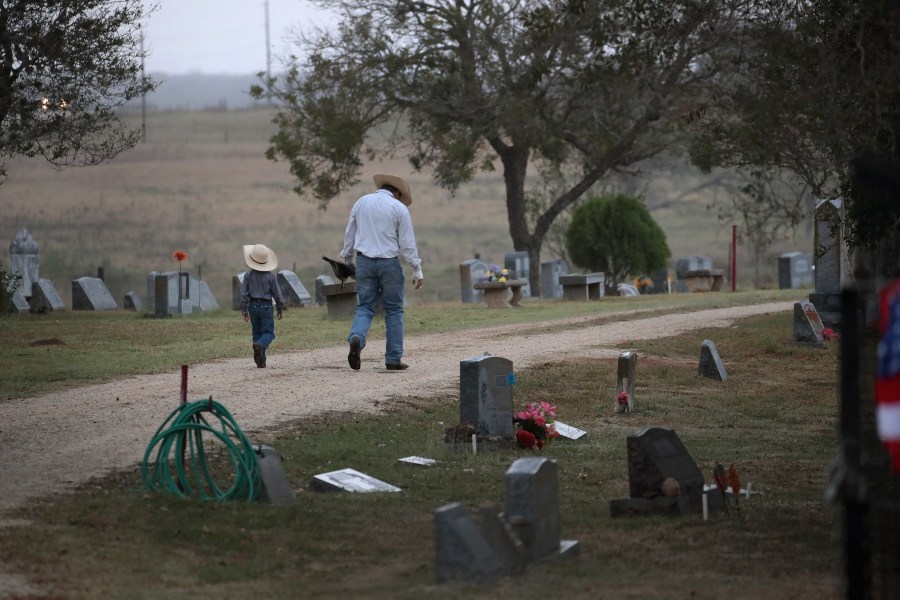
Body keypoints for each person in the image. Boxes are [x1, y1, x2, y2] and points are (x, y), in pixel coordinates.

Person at [341, 174, 423, 370]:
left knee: (365, 307)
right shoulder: (399, 208)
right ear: (396, 193)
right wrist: (417, 269)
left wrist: (346, 258)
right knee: (394, 310)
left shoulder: (361, 202)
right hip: (389, 264)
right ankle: (393, 358)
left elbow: (350, 233)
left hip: (364, 262)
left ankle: (356, 338)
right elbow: (407, 244)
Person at [239, 243, 285, 368]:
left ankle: (261, 361)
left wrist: (244, 310)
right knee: (269, 333)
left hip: (253, 307)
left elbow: (244, 294)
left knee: (257, 333)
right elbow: (277, 294)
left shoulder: (248, 276)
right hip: (266, 307)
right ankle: (259, 348)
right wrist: (280, 308)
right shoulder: (270, 276)